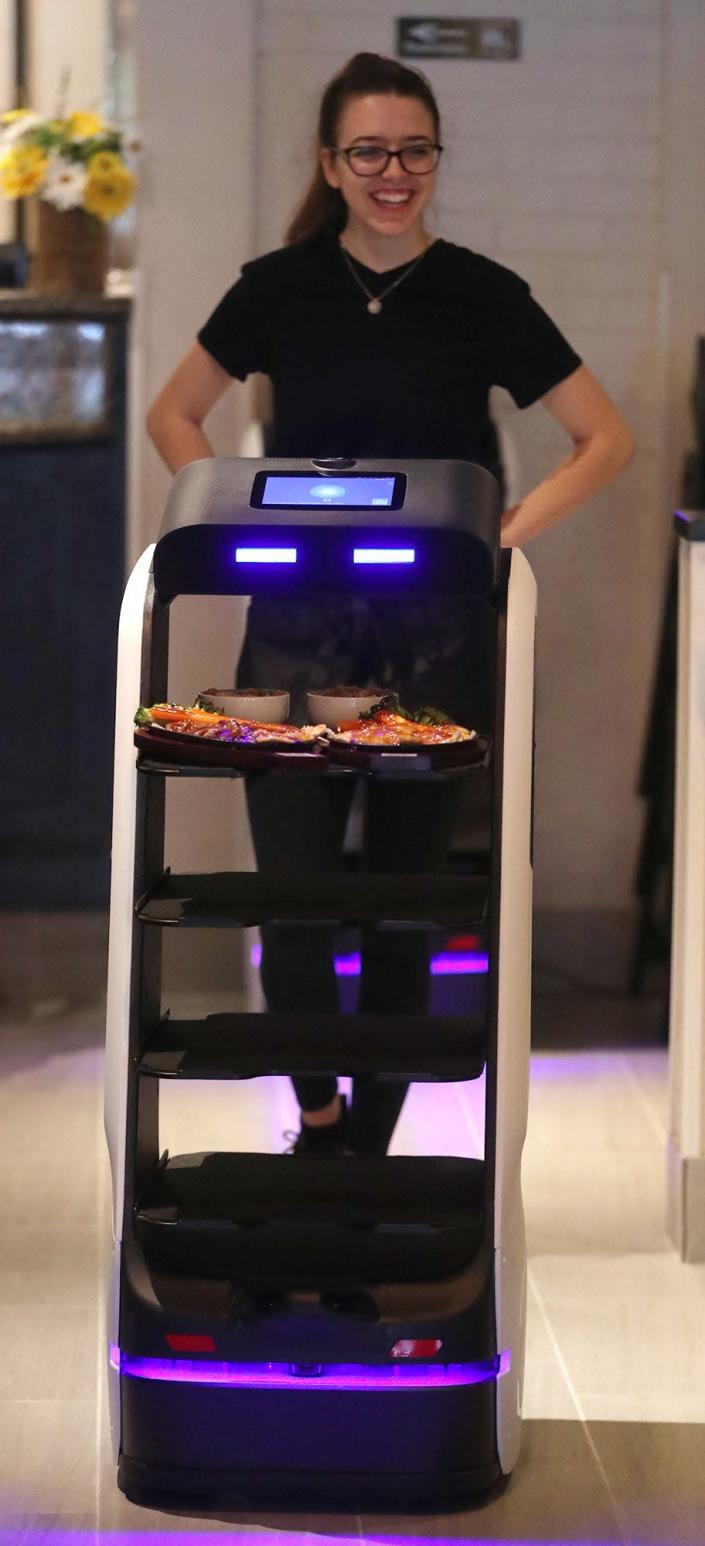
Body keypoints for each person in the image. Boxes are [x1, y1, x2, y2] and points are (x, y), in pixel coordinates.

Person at [147, 51, 634, 1157]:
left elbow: (606, 439)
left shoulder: (482, 293)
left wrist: (495, 537)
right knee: (297, 898)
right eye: (368, 150)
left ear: (435, 160)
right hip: (297, 640)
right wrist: (237, 519)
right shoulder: (277, 287)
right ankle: (319, 1119)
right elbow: (175, 414)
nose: (392, 170)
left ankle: (367, 1144)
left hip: (435, 640)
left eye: (414, 149)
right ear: (332, 161)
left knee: (408, 903)